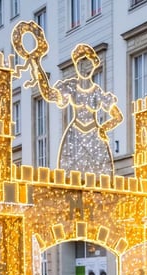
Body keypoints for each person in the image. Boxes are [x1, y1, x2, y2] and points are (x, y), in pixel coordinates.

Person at [13, 23, 123, 175]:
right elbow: (49, 94)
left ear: (93, 64)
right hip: (75, 137)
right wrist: (38, 67)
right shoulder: (71, 86)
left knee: (100, 180)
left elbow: (118, 116)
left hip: (94, 138)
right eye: (80, 64)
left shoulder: (97, 92)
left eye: (87, 64)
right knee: (70, 179)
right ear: (76, 66)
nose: (84, 68)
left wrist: (104, 128)